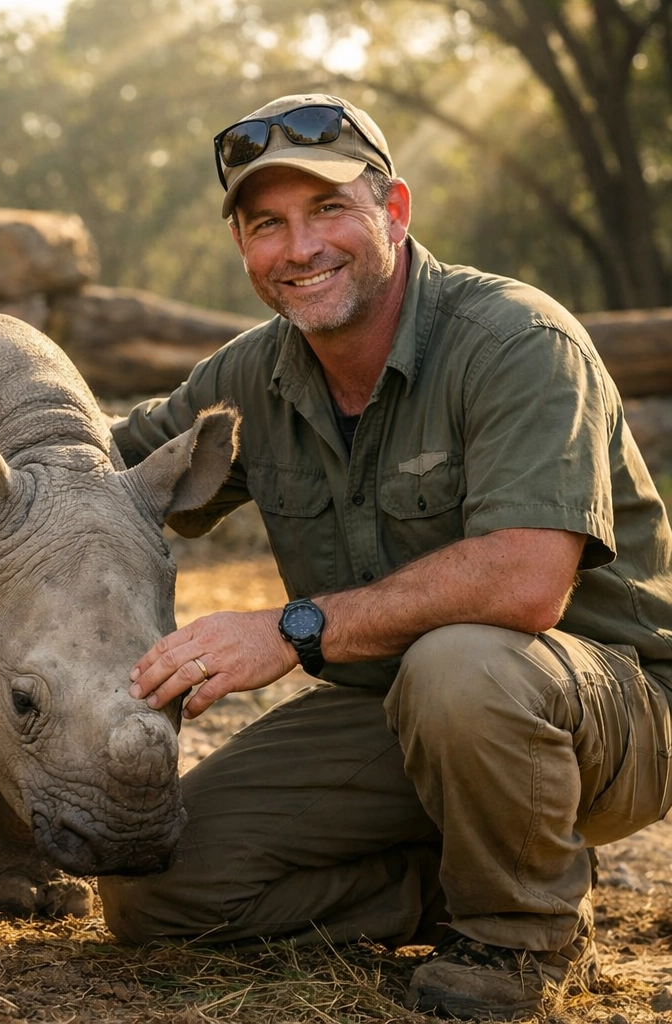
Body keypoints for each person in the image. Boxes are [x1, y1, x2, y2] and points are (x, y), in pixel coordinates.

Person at [96, 92, 672, 1020]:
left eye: (329, 208)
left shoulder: (517, 340)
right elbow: (98, 467)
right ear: (241, 244)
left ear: (394, 211)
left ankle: (523, 935)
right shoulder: (249, 373)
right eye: (266, 224)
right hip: (402, 716)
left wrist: (292, 629)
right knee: (155, 889)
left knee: (462, 664)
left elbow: (527, 583)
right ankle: (465, 880)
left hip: (606, 715)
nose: (300, 248)